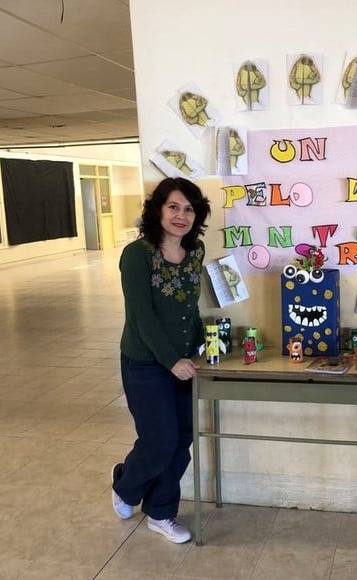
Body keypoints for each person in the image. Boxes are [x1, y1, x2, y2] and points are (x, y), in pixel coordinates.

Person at [111, 177, 211, 544]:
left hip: (183, 361)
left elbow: (189, 307)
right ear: (157, 210)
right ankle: (125, 484)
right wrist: (172, 360)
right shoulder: (137, 255)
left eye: (189, 209)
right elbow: (142, 317)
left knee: (181, 438)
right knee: (158, 441)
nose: (181, 215)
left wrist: (204, 344)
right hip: (145, 363)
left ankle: (161, 512)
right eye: (173, 207)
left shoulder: (195, 250)